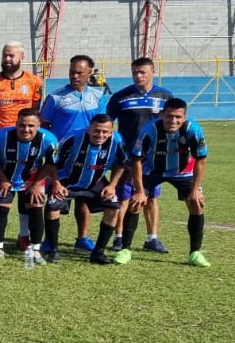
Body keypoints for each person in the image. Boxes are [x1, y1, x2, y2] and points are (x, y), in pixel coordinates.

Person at [127, 98, 209, 267]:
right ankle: (125, 250)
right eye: (169, 116)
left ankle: (195, 253)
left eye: (178, 117)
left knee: (196, 203)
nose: (173, 120)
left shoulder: (193, 130)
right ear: (162, 114)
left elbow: (201, 160)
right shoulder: (150, 130)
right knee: (136, 202)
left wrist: (195, 190)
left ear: (185, 117)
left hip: (183, 172)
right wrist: (140, 191)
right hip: (152, 170)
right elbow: (136, 160)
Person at [106, 57, 175, 254]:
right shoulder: (121, 97)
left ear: (153, 71)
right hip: (128, 157)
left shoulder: (165, 96)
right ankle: (119, 237)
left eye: (143, 72)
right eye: (135, 72)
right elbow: (108, 125)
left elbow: (174, 124)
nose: (138, 76)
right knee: (123, 197)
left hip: (154, 158)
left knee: (151, 197)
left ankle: (152, 238)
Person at [0, 107, 59, 266]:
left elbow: (50, 164)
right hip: (5, 177)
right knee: (1, 208)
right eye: (22, 125)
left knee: (36, 207)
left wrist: (36, 184)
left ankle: (35, 249)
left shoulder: (49, 140)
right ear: (16, 123)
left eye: (31, 126)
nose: (26, 129)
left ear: (38, 126)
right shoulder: (2, 136)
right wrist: (2, 179)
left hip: (32, 179)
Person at [48, 114, 129, 265]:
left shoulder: (117, 141)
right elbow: (52, 163)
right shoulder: (72, 138)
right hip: (67, 181)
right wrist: (56, 184)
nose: (100, 134)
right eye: (97, 130)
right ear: (89, 128)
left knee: (114, 207)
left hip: (96, 181)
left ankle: (98, 252)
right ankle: (53, 249)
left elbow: (121, 164)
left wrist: (111, 185)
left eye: (105, 132)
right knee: (53, 206)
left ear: (111, 131)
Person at [40, 54, 105, 144]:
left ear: (89, 72)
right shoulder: (54, 97)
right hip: (61, 152)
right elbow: (43, 126)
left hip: (86, 150)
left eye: (79, 73)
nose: (74, 76)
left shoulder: (98, 97)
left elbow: (101, 125)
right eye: (72, 72)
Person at [0, 42, 44, 130]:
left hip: (24, 133)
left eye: (11, 56)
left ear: (22, 57)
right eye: (5, 55)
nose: (7, 59)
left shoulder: (34, 82)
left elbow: (35, 111)